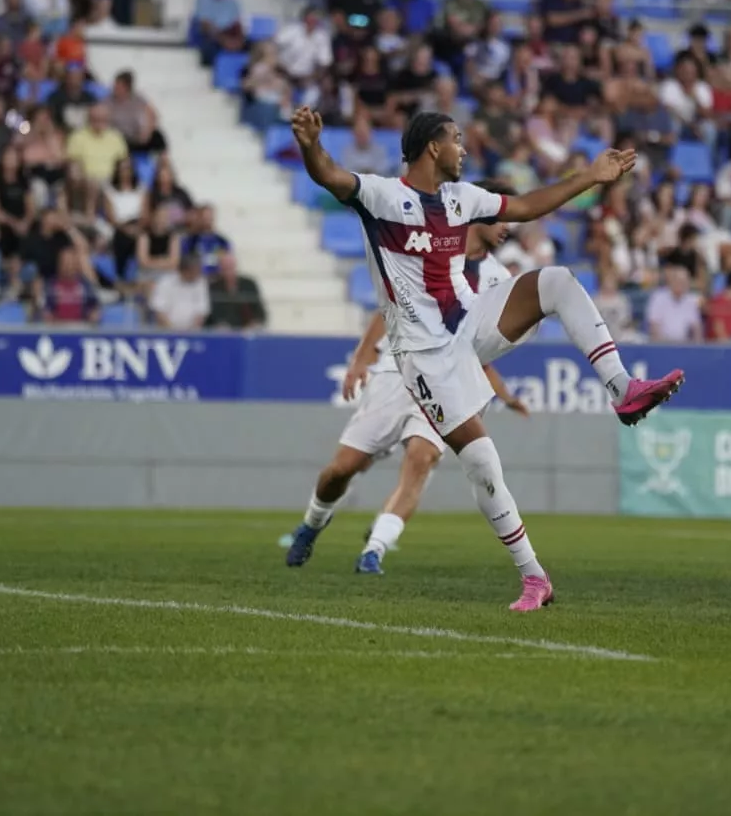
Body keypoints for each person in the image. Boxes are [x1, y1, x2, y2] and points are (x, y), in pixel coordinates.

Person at [290, 107, 684, 609]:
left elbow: (526, 206)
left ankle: (623, 389)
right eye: (455, 139)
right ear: (433, 148)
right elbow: (327, 173)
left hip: (467, 324)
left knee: (558, 281)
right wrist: (309, 145)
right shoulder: (383, 196)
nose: (463, 148)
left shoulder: (462, 198)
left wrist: (589, 176)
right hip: (423, 356)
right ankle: (535, 578)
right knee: (482, 462)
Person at [289, 186, 527, 575]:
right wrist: (362, 357)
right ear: (480, 214)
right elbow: (390, 304)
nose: (508, 228)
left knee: (422, 458)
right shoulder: (431, 248)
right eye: (503, 218)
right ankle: (313, 522)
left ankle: (374, 550)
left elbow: (482, 347)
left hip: (447, 382)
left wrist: (504, 394)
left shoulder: (499, 280)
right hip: (397, 371)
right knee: (342, 469)